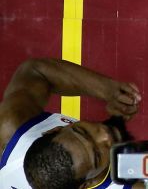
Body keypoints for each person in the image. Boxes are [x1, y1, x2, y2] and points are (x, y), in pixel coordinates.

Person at [0, 57, 140, 189]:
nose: (105, 135)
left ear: (54, 130)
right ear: (86, 184)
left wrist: (108, 90)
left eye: (83, 132)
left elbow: (36, 72)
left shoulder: (11, 128)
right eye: (97, 156)